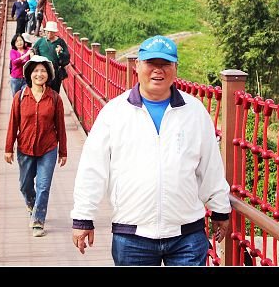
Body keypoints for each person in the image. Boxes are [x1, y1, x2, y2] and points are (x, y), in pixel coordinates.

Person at [71, 35, 231, 266]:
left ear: (176, 68)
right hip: (132, 233)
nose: (158, 70)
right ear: (137, 65)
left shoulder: (194, 112)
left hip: (186, 233)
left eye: (165, 64)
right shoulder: (115, 113)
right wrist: (83, 218)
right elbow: (92, 168)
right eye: (151, 63)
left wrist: (219, 210)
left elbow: (210, 166)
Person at [5, 55, 67, 237]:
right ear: (29, 74)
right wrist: (8, 148)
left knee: (44, 185)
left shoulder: (55, 98)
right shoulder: (20, 97)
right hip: (25, 147)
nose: (39, 74)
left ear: (48, 75)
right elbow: (12, 123)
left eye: (43, 71)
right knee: (25, 186)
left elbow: (61, 127)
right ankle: (32, 204)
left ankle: (38, 220)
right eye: (36, 71)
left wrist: (63, 151)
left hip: (48, 147)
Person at [31, 21, 69, 93]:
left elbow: (67, 58)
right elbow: (33, 49)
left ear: (55, 32)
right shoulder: (41, 41)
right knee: (43, 92)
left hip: (56, 73)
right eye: (47, 32)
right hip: (43, 72)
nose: (49, 33)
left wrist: (60, 53)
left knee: (54, 93)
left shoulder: (60, 42)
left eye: (51, 32)